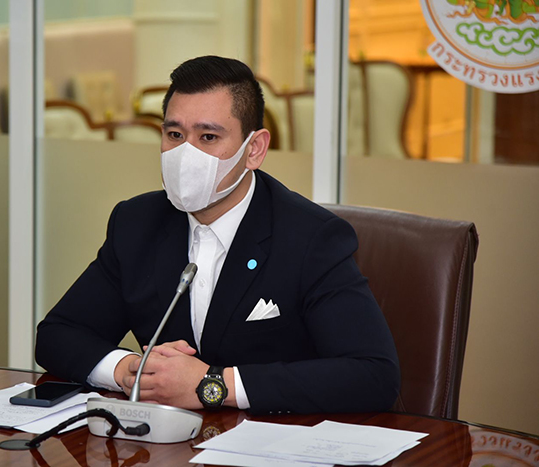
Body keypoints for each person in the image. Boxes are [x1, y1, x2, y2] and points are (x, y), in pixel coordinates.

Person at [36, 55, 400, 415]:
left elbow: (373, 375)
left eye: (208, 136)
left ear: (254, 149)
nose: (185, 153)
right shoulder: (137, 222)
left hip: (272, 438)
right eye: (174, 134)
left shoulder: (311, 238)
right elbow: (57, 334)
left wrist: (215, 384)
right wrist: (130, 371)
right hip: (162, 439)